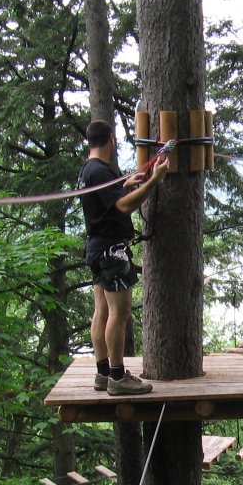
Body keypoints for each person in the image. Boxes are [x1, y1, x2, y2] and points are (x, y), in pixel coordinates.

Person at [79, 119, 169, 395]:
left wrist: (126, 182)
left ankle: (103, 372)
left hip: (97, 248)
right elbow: (123, 205)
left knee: (102, 311)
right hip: (111, 251)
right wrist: (154, 180)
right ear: (111, 140)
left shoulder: (88, 169)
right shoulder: (101, 171)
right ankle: (117, 378)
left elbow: (107, 200)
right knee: (119, 313)